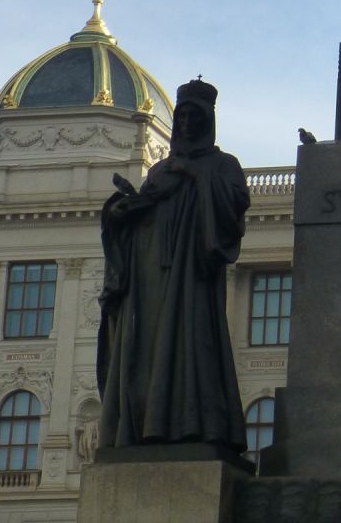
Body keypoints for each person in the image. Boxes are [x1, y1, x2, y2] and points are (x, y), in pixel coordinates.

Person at [97, 79, 249, 454]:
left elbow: (233, 211)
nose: (185, 126)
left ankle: (196, 425)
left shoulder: (223, 165)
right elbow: (141, 213)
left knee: (192, 347)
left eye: (193, 118)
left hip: (191, 276)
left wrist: (193, 175)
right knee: (148, 351)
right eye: (180, 118)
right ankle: (147, 427)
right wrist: (121, 212)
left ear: (207, 121)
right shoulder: (159, 171)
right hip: (152, 277)